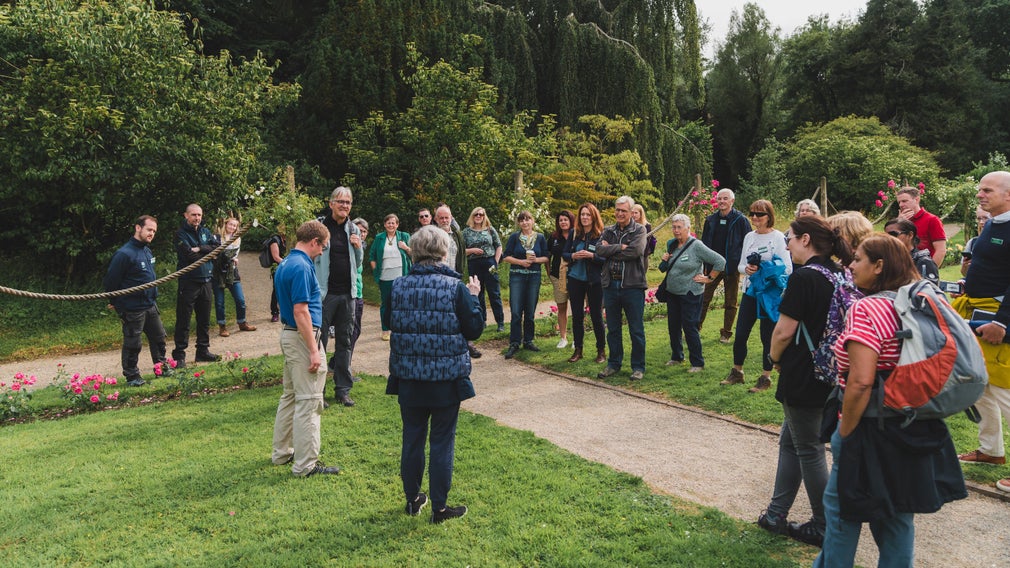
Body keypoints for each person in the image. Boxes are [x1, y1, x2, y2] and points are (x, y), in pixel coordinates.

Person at [815, 234, 966, 567]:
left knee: (842, 513)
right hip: (909, 422)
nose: (850, 265)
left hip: (868, 423)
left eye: (857, 259)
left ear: (879, 266)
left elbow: (861, 380)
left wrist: (847, 431)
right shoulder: (917, 301)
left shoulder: (867, 308)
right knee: (897, 515)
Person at [758, 216, 853, 547]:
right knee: (792, 441)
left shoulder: (804, 278)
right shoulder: (838, 273)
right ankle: (775, 513)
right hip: (830, 368)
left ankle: (824, 523)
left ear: (806, 239)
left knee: (809, 448)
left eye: (791, 238)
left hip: (802, 369)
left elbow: (783, 330)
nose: (787, 244)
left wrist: (773, 358)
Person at [384, 225, 484, 523]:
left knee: (412, 438)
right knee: (442, 441)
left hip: (410, 378)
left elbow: (390, 320)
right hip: (445, 379)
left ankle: (413, 498)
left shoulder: (399, 286)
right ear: (442, 252)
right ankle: (439, 507)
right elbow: (475, 328)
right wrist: (475, 296)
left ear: (414, 252)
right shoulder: (457, 288)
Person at [953, 171, 1010, 493]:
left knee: (1004, 389)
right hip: (978, 313)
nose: (979, 195)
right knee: (983, 386)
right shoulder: (993, 222)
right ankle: (991, 451)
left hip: (999, 322)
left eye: (987, 190)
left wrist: (1002, 322)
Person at [271, 220, 341, 477]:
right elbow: (301, 310)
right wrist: (314, 349)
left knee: (290, 396)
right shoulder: (301, 266)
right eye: (322, 247)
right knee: (309, 401)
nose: (322, 252)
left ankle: (282, 453)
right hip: (302, 337)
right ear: (314, 242)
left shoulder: (287, 262)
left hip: (291, 335)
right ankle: (305, 465)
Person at [722, 200, 791, 392]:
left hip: (768, 294)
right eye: (752, 213)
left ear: (769, 216)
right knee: (741, 333)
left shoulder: (777, 237)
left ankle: (765, 377)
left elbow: (787, 266)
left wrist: (765, 268)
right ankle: (737, 372)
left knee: (766, 337)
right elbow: (740, 264)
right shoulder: (749, 237)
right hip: (751, 292)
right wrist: (749, 269)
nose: (754, 217)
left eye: (759, 214)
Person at [103, 215, 172, 387]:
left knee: (159, 338)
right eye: (149, 229)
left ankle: (161, 368)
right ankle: (132, 376)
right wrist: (115, 300)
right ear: (138, 228)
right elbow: (111, 281)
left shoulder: (147, 251)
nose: (151, 234)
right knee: (133, 343)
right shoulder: (124, 254)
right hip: (133, 308)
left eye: (154, 231)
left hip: (150, 305)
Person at [658, 214, 725, 372]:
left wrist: (709, 278)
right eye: (674, 227)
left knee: (689, 327)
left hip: (690, 293)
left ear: (688, 228)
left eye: (679, 227)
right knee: (673, 326)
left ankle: (697, 363)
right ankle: (677, 356)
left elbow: (720, 261)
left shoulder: (697, 246)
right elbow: (663, 269)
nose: (676, 230)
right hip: (672, 292)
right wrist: (664, 260)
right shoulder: (672, 244)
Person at [317, 186, 364, 408]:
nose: (344, 205)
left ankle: (343, 391)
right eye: (341, 201)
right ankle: (318, 392)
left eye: (348, 202)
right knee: (320, 342)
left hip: (348, 294)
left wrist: (358, 246)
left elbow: (359, 261)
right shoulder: (320, 227)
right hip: (324, 295)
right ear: (331, 203)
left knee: (345, 343)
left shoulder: (353, 228)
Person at [596, 196, 648, 381]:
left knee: (636, 329)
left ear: (631, 212)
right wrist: (619, 247)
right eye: (617, 210)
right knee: (613, 329)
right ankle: (613, 364)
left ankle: (638, 367)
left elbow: (635, 252)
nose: (619, 213)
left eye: (623, 211)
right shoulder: (608, 230)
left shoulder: (639, 230)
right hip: (611, 285)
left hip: (632, 286)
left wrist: (610, 250)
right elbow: (598, 250)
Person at [699, 188, 750, 343]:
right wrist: (705, 264)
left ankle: (726, 333)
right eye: (719, 198)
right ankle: (695, 328)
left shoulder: (740, 220)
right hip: (713, 267)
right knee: (703, 298)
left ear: (732, 201)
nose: (721, 201)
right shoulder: (710, 220)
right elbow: (704, 244)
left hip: (732, 268)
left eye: (725, 198)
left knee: (731, 301)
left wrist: (741, 263)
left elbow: (748, 242)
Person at [172, 203, 219, 367]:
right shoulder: (180, 234)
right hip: (188, 282)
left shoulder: (205, 231)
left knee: (204, 319)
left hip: (206, 280)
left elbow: (217, 248)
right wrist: (209, 253)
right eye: (193, 215)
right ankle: (179, 355)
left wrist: (200, 248)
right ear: (186, 215)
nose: (197, 218)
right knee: (184, 320)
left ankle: (202, 351)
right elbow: (189, 256)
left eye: (199, 215)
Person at [436, 204, 482, 359]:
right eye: (441, 217)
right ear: (436, 219)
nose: (444, 220)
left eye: (446, 217)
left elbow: (461, 255)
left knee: (461, 311)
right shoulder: (432, 235)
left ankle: (467, 343)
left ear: (451, 218)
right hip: (437, 280)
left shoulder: (457, 235)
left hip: (455, 278)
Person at [502, 211, 549, 359]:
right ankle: (514, 342)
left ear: (532, 221)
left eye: (527, 219)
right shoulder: (514, 237)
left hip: (534, 277)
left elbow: (547, 258)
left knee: (530, 311)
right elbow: (506, 257)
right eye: (522, 220)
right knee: (516, 311)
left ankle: (528, 340)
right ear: (519, 223)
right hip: (517, 276)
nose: (525, 222)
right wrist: (521, 262)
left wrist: (535, 260)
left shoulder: (540, 237)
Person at [563, 203, 606, 364]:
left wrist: (591, 256)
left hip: (595, 280)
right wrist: (574, 255)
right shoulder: (575, 233)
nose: (585, 217)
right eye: (582, 215)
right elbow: (565, 254)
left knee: (596, 316)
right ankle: (578, 350)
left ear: (593, 217)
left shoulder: (601, 235)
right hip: (575, 279)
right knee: (577, 316)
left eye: (588, 215)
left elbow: (605, 259)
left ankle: (601, 351)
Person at [369, 213, 411, 341]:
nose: (391, 225)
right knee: (386, 303)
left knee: (402, 302)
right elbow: (372, 256)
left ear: (397, 224)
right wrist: (375, 269)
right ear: (384, 224)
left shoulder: (404, 236)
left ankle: (401, 328)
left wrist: (405, 247)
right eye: (388, 222)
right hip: (385, 276)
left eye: (393, 223)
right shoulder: (379, 238)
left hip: (401, 275)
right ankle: (385, 329)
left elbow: (413, 254)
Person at [462, 207, 505, 332]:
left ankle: (500, 322)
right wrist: (472, 250)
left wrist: (495, 262)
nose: (479, 216)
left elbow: (498, 246)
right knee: (478, 292)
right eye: (476, 214)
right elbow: (460, 251)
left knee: (494, 292)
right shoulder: (466, 232)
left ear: (484, 216)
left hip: (490, 262)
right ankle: (482, 320)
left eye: (481, 214)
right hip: (474, 263)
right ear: (472, 216)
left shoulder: (490, 230)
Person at [212, 216, 256, 337]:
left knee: (240, 299)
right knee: (220, 301)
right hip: (219, 272)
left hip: (232, 271)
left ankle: (242, 322)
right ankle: (222, 326)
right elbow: (215, 254)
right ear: (226, 224)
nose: (232, 227)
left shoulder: (237, 239)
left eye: (235, 226)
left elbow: (235, 254)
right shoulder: (217, 237)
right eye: (230, 224)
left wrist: (234, 259)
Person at [896, 186, 946, 266]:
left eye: (904, 201)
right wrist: (898, 223)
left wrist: (930, 271)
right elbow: (891, 246)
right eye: (899, 202)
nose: (901, 205)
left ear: (917, 200)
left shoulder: (932, 220)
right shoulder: (899, 221)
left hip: (922, 269)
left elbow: (941, 250)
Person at [547, 210, 574, 349]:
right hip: (557, 276)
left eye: (565, 219)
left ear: (571, 220)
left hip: (574, 276)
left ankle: (577, 338)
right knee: (561, 306)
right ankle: (563, 338)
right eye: (561, 220)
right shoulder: (554, 237)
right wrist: (549, 272)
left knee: (576, 308)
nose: (563, 222)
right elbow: (548, 255)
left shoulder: (577, 235)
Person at [884, 218, 939, 286]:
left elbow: (930, 292)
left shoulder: (923, 261)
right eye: (886, 236)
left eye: (893, 234)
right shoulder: (888, 260)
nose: (889, 239)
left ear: (910, 235)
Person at [349, 218, 369, 376]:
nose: (361, 234)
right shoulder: (350, 247)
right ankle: (344, 366)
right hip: (351, 294)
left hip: (359, 293)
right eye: (358, 230)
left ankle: (339, 362)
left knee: (356, 331)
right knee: (351, 331)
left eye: (364, 231)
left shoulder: (361, 247)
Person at [961, 205, 991, 277]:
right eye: (979, 218)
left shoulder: (1003, 241)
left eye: (985, 218)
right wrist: (965, 267)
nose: (981, 222)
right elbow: (965, 274)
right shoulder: (972, 243)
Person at [267, 229, 287, 323]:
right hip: (277, 268)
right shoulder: (274, 240)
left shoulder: (288, 240)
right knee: (277, 289)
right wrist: (289, 263)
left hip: (287, 267)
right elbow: (276, 257)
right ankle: (275, 312)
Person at [631, 203, 658, 267]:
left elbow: (646, 243)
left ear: (641, 214)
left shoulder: (647, 226)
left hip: (642, 255)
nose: (634, 215)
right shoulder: (629, 226)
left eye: (636, 213)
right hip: (631, 254)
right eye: (632, 213)